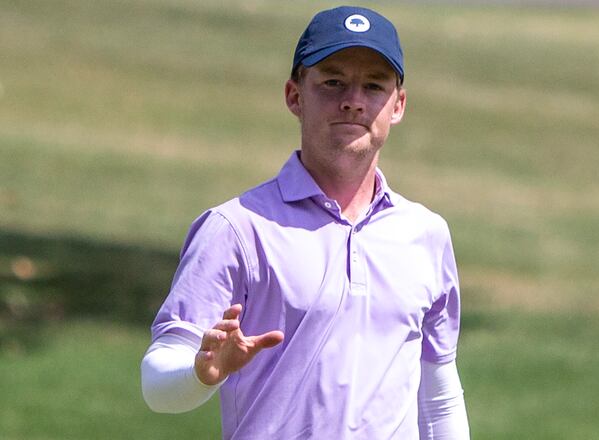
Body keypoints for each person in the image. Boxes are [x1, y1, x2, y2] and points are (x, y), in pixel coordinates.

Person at [141, 6, 470, 439]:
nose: (353, 99)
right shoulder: (236, 229)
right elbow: (156, 383)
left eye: (374, 85)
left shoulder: (425, 235)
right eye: (333, 82)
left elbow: (438, 394)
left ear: (398, 105)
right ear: (295, 96)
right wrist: (202, 372)